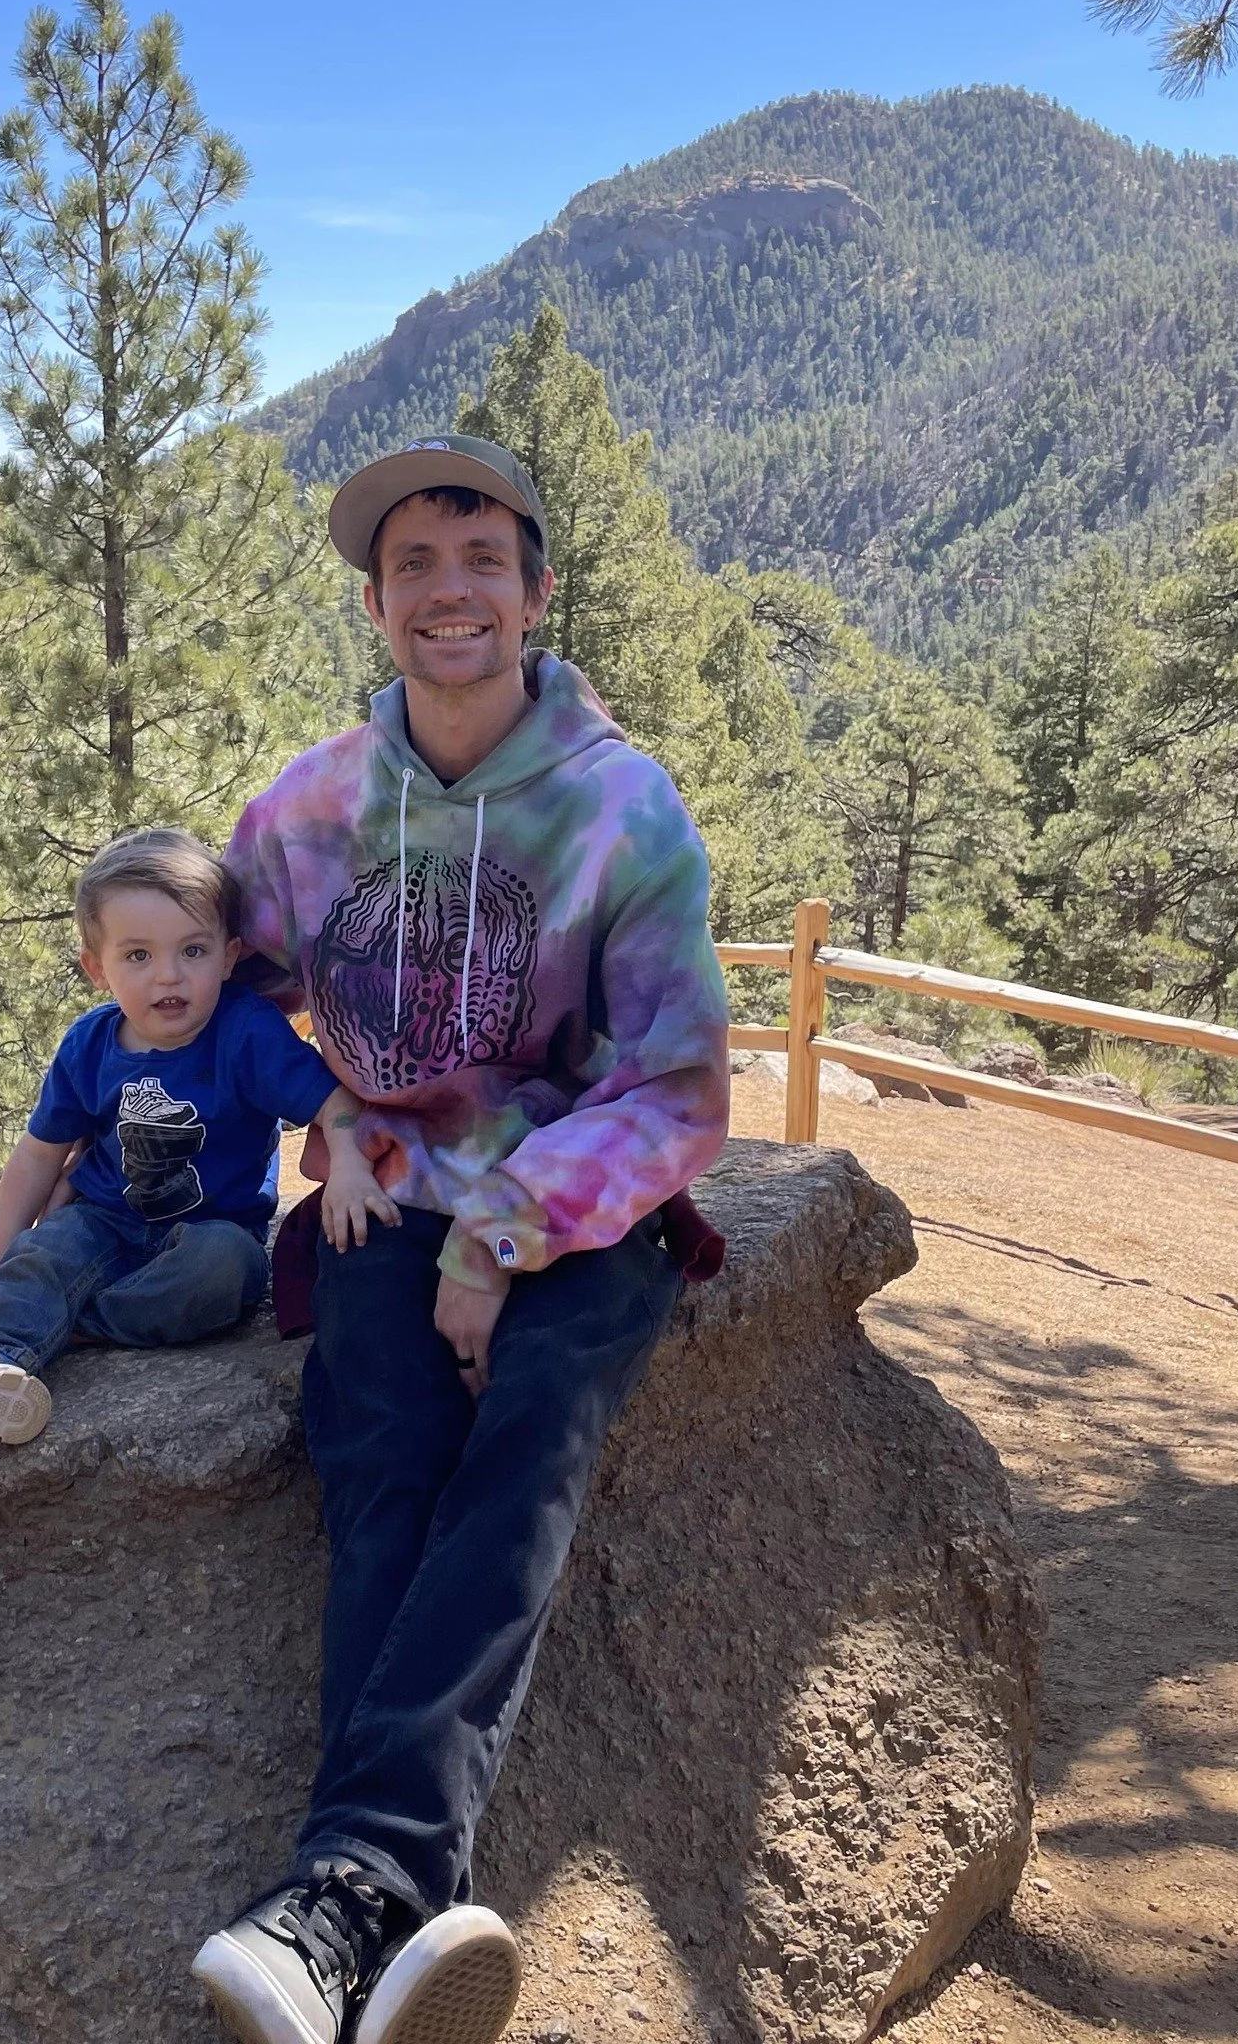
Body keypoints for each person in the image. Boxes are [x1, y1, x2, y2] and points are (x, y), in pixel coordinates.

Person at [191, 437, 729, 2044]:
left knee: (529, 1437)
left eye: (478, 561)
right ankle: (377, 1911)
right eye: (413, 567)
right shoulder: (307, 806)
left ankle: (342, 1901)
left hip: (581, 1204)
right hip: (384, 1192)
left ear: (533, 592)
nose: (448, 594)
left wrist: (501, 1233)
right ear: (376, 603)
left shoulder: (622, 811)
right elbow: (232, 986)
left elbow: (679, 1087)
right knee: (375, 1455)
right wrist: (329, 1113)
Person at [0, 828, 396, 1447]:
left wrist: (353, 1170)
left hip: (213, 1231)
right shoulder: (89, 1046)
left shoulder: (246, 1031)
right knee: (47, 1251)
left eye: (192, 951)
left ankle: (57, 1323)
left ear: (229, 957)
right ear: (98, 968)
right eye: (138, 956)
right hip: (101, 1218)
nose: (168, 977)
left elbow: (334, 1100)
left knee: (225, 1275)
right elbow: (39, 1156)